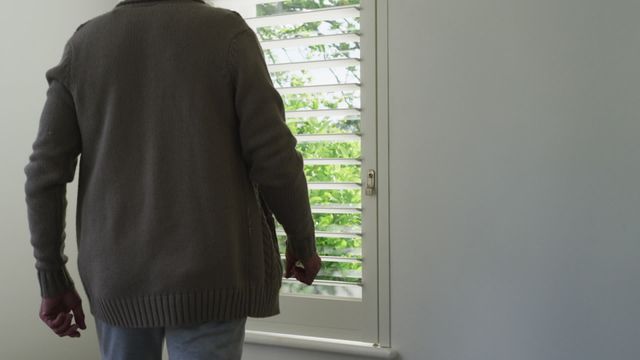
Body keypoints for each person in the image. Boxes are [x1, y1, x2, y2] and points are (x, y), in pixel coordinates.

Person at [23, 0, 322, 358]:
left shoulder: (85, 45)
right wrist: (302, 241)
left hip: (118, 276)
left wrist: (52, 275)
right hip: (212, 274)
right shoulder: (227, 34)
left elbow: (44, 174)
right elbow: (275, 158)